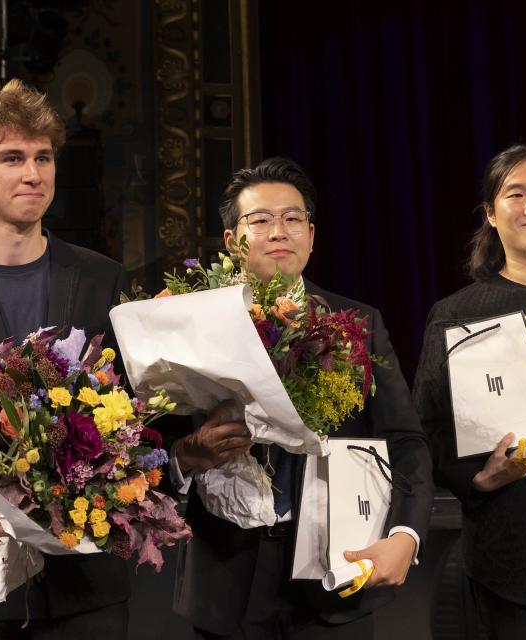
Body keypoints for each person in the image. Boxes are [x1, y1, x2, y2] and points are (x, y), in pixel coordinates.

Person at [170, 157, 434, 639]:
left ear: (311, 236)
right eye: (261, 220)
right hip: (224, 581)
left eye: (293, 219)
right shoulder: (188, 327)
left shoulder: (359, 324)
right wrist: (185, 461)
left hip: (335, 580)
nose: (279, 231)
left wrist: (405, 535)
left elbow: (407, 441)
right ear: (231, 241)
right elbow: (156, 450)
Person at [0, 79, 129, 639]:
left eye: (43, 157)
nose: (33, 173)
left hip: (86, 585)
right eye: (12, 158)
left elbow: (136, 410)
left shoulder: (102, 278)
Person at [413, 143, 526, 639]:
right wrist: (480, 479)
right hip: (516, 564)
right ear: (490, 214)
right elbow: (423, 433)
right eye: (516, 195)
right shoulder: (457, 314)